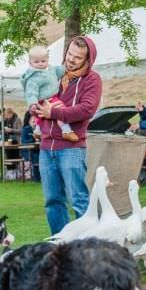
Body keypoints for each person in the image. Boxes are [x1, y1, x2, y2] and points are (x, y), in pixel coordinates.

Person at [35, 35, 102, 235]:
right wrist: (35, 111)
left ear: (87, 60)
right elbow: (40, 99)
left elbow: (87, 109)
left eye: (77, 57)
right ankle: (61, 243)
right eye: (70, 54)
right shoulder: (54, 75)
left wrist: (53, 113)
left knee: (79, 199)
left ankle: (86, 244)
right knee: (52, 201)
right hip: (46, 148)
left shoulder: (92, 79)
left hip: (71, 149)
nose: (71, 59)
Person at [21, 45, 77, 142]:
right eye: (36, 62)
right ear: (30, 62)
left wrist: (65, 68)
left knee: (43, 115)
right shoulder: (33, 77)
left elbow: (57, 71)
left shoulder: (50, 69)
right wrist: (33, 103)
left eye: (43, 61)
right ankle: (66, 130)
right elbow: (31, 92)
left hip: (52, 96)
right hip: (44, 99)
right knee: (60, 110)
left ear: (47, 59)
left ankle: (38, 130)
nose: (40, 64)